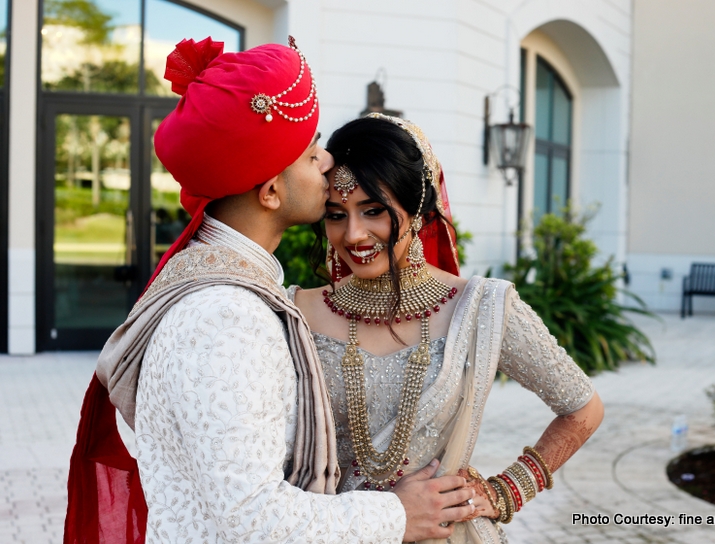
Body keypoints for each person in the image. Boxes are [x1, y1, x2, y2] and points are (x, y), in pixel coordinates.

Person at [63, 38, 476, 544]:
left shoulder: (227, 289)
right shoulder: (226, 316)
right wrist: (396, 515)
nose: (326, 162)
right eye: (309, 152)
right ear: (272, 191)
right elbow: (251, 515)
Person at [291, 114, 605, 543]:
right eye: (335, 214)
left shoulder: (479, 307)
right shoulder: (296, 311)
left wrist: (508, 489)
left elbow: (582, 408)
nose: (354, 234)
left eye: (373, 211)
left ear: (417, 210)